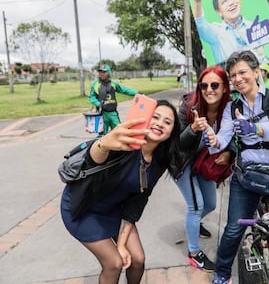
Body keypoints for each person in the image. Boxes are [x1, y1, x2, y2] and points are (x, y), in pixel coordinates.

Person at [203, 50, 269, 284]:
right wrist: (212, 138)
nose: (237, 79)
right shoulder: (231, 107)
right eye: (233, 75)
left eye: (242, 72)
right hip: (246, 177)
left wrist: (253, 129)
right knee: (233, 229)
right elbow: (222, 138)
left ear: (256, 72)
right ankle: (222, 274)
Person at [60, 100, 181, 284]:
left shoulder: (159, 161)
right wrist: (103, 144)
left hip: (114, 211)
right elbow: (93, 160)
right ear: (146, 118)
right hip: (84, 209)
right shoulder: (123, 142)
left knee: (138, 260)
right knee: (114, 263)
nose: (159, 123)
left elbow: (137, 201)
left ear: (172, 131)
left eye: (167, 121)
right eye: (155, 117)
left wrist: (122, 244)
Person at [171, 66, 234, 272]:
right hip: (182, 162)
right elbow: (177, 143)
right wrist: (192, 129)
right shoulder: (189, 106)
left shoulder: (229, 108)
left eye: (215, 85)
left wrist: (229, 153)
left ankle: (193, 223)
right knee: (195, 206)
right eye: (204, 85)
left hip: (204, 163)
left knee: (211, 204)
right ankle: (194, 253)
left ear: (224, 88)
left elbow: (235, 136)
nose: (209, 89)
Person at [190, 0, 269, 64]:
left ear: (240, 0)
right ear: (218, 11)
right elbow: (201, 24)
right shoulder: (216, 32)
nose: (231, 3)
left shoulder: (256, 27)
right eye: (224, 1)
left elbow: (265, 57)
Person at [89, 65, 138, 135]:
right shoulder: (95, 84)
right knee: (102, 135)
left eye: (104, 72)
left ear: (108, 73)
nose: (101, 74)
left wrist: (136, 93)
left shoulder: (113, 84)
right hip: (102, 114)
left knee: (119, 132)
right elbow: (91, 97)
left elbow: (124, 90)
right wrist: (98, 103)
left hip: (113, 113)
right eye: (100, 72)